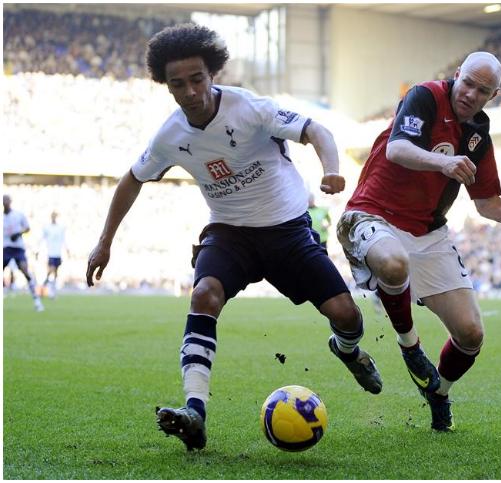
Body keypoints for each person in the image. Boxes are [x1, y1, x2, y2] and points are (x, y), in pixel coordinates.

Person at [85, 23, 381, 452]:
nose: (189, 91)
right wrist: (104, 240)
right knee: (204, 294)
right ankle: (194, 414)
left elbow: (317, 130)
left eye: (197, 79)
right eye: (177, 84)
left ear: (213, 74)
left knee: (347, 315)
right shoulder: (170, 136)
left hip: (287, 230)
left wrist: (331, 168)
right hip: (229, 233)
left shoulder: (251, 109)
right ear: (165, 86)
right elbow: (132, 179)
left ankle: (348, 351)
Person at [337, 51, 501, 432]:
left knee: (471, 334)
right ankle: (410, 348)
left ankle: (439, 392)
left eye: (482, 89)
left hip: (428, 233)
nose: (470, 92)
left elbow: (487, 203)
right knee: (393, 263)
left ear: (495, 94)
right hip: (372, 215)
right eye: (467, 82)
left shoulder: (478, 135)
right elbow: (397, 148)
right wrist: (444, 163)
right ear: (457, 74)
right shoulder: (425, 96)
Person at [3, 194, 44, 311]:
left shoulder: (18, 215)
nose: (5, 202)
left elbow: (27, 228)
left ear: (10, 201)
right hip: (5, 248)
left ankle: (37, 300)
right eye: (3, 200)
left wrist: (18, 233)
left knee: (25, 270)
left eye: (7, 200)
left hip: (18, 248)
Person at [39, 211, 67, 299]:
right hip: (50, 253)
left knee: (55, 273)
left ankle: (49, 290)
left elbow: (63, 240)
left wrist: (67, 250)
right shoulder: (47, 228)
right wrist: (38, 250)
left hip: (58, 253)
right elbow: (42, 238)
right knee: (51, 270)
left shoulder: (60, 228)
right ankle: (47, 289)